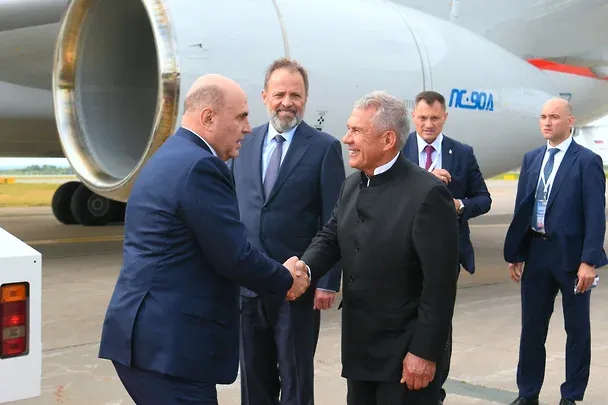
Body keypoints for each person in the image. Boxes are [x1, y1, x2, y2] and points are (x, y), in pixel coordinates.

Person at [98, 74, 310, 405]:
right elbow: (233, 255)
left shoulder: (170, 155)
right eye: (241, 117)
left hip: (144, 340)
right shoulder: (201, 166)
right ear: (209, 117)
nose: (248, 128)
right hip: (169, 351)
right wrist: (285, 279)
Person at [296, 91, 460, 405]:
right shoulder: (352, 184)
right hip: (360, 346)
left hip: (405, 353)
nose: (347, 139)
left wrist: (424, 352)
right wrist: (303, 269)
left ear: (387, 140)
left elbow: (440, 286)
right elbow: (331, 237)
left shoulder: (427, 194)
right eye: (349, 129)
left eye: (357, 131)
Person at [230, 58, 346, 405]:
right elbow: (235, 210)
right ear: (265, 96)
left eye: (295, 95)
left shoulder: (323, 148)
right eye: (279, 94)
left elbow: (334, 218)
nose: (287, 102)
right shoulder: (244, 143)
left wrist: (327, 281)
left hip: (298, 286)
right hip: (249, 283)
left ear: (305, 99)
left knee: (296, 379)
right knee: (254, 379)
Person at [503, 97, 607, 405]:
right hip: (536, 253)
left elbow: (595, 216)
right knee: (532, 329)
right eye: (543, 117)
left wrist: (588, 261)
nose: (547, 122)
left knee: (577, 330)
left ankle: (570, 396)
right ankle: (528, 393)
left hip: (572, 259)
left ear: (570, 121)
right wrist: (517, 253)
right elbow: (522, 209)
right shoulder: (532, 159)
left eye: (554, 117)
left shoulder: (586, 161)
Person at [402, 90, 492, 404]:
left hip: (445, 253)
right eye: (423, 118)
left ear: (445, 118)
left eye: (435, 118)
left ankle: (435, 387)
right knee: (404, 316)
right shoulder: (398, 149)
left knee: (438, 320)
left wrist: (458, 205)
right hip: (402, 250)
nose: (428, 124)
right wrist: (425, 180)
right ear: (413, 117)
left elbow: (483, 199)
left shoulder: (462, 153)